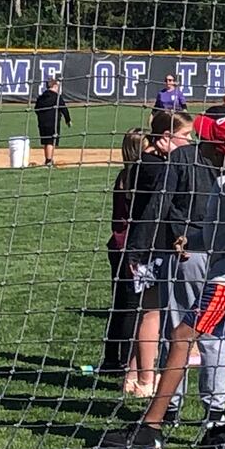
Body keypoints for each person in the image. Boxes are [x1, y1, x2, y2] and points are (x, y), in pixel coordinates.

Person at [98, 114, 225, 449]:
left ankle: (152, 428)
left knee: (183, 337)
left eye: (208, 140)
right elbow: (221, 228)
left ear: (217, 152)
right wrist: (193, 238)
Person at [125, 106, 225, 426]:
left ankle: (171, 405)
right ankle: (215, 410)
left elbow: (160, 204)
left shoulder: (182, 159)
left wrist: (138, 249)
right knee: (215, 333)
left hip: (187, 254)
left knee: (178, 330)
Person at [123, 110, 193, 397]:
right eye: (186, 136)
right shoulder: (159, 168)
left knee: (150, 312)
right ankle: (145, 380)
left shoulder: (145, 163)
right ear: (166, 138)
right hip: (152, 247)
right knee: (153, 313)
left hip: (147, 245)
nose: (190, 142)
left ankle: (131, 376)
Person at [100, 128, 146, 378]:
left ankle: (110, 359)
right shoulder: (136, 178)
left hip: (116, 246)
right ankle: (128, 361)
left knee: (119, 305)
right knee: (131, 307)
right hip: (129, 248)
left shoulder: (123, 175)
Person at [32, 76, 71, 167]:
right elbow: (64, 109)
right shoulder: (57, 97)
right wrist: (68, 120)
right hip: (53, 122)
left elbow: (36, 108)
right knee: (51, 141)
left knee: (45, 141)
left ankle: (47, 158)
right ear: (55, 86)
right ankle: (49, 160)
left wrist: (41, 117)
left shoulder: (41, 97)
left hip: (42, 122)